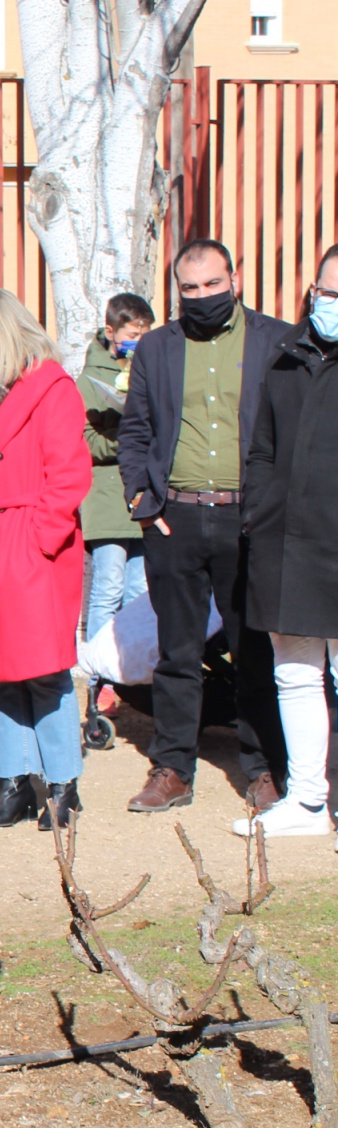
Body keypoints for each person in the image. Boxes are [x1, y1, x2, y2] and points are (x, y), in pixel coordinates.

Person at [117, 240, 289, 813]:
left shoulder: (276, 341)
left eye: (212, 284)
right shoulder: (158, 348)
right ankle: (173, 768)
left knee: (254, 648)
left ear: (234, 279)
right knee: (178, 652)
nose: (202, 296)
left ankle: (266, 769)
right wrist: (144, 501)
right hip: (177, 518)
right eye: (190, 289)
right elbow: (135, 429)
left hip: (251, 517)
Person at [0, 288, 93, 829]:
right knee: (0, 674)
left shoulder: (51, 387)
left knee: (44, 671)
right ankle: (16, 783)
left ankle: (62, 785)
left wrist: (41, 538)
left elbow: (69, 473)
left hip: (30, 543)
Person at [239, 245, 338, 839]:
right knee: (295, 671)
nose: (329, 305)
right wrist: (259, 511)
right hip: (285, 541)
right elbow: (263, 448)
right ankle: (306, 800)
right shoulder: (285, 357)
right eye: (325, 293)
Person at [79, 292, 155, 715]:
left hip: (141, 494)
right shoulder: (90, 378)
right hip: (107, 497)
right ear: (111, 333)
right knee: (107, 586)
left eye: (145, 334)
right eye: (131, 335)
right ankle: (98, 679)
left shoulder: (149, 367)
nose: (138, 342)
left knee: (138, 590)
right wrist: (129, 436)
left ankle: (133, 674)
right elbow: (86, 439)